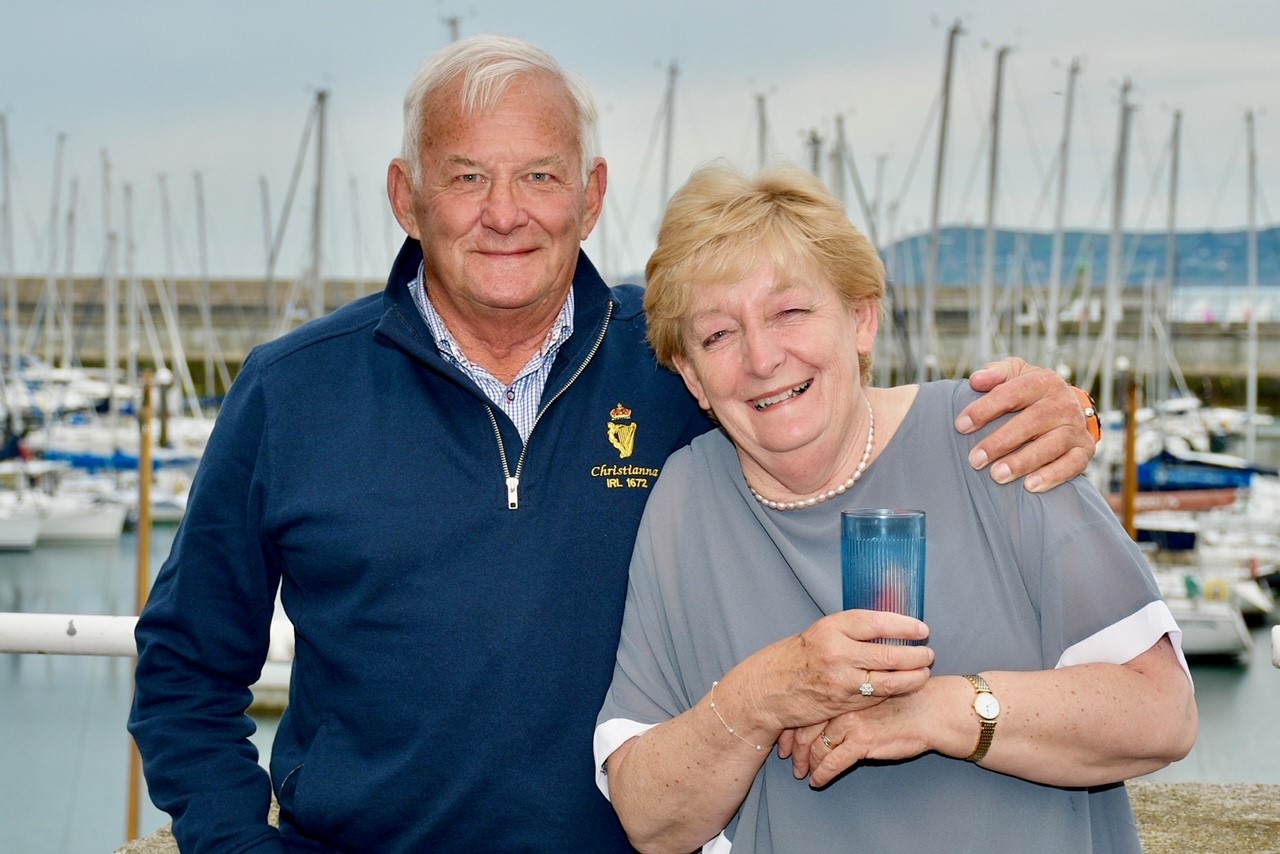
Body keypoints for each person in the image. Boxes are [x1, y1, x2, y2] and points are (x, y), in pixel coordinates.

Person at [128, 35, 1099, 852]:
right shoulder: (292, 390)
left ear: (590, 195)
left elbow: (844, 420)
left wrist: (1057, 415)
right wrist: (235, 843)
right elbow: (184, 668)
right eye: (466, 177)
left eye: (539, 176)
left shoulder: (684, 362)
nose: (504, 212)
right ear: (405, 195)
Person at [593, 163, 1198, 853]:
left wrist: (942, 712)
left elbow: (1163, 713)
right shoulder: (688, 497)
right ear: (693, 378)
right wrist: (760, 695)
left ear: (862, 320)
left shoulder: (991, 438)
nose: (762, 358)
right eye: (718, 335)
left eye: (790, 312)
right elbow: (650, 819)